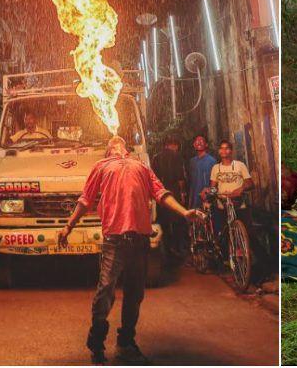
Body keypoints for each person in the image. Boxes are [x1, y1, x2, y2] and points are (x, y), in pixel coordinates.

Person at [58, 136, 205, 364]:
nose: (116, 141)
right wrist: (68, 226)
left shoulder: (141, 167)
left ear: (126, 148)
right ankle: (97, 341)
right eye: (112, 142)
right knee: (105, 290)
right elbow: (85, 200)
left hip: (140, 239)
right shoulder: (102, 166)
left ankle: (126, 342)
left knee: (134, 294)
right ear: (108, 151)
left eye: (119, 141)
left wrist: (184, 212)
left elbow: (161, 194)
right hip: (114, 240)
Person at [205, 140, 256, 265]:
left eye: (227, 148)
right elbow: (213, 187)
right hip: (222, 205)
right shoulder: (216, 168)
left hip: (239, 204)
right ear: (219, 151)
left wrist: (241, 189)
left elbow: (250, 183)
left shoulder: (239, 165)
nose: (224, 151)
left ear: (231, 151)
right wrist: (208, 192)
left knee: (245, 233)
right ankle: (227, 258)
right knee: (223, 233)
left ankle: (247, 260)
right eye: (221, 148)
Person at [151, 135, 188, 257]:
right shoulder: (177, 157)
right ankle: (179, 248)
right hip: (174, 193)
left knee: (164, 222)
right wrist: (182, 193)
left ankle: (166, 249)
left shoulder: (156, 158)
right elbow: (180, 177)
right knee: (179, 221)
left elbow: (153, 178)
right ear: (174, 145)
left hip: (161, 194)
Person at [187, 136, 216, 210]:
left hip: (207, 199)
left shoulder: (212, 161)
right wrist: (190, 201)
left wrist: (209, 196)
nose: (199, 142)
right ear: (194, 144)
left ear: (206, 144)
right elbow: (191, 183)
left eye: (201, 141)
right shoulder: (192, 162)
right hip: (194, 200)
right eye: (197, 141)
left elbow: (215, 184)